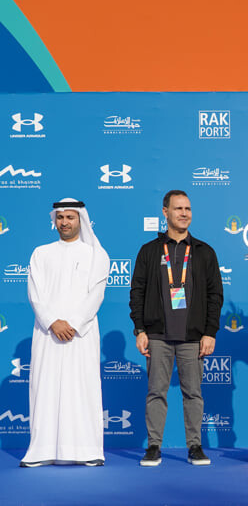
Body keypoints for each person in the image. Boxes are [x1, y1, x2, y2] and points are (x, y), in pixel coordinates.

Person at [130, 190, 223, 467]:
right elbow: (137, 292)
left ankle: (194, 446)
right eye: (178, 208)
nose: (184, 213)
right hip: (157, 335)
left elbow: (215, 295)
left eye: (188, 209)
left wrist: (210, 332)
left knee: (193, 394)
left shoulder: (204, 251)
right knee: (156, 392)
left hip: (192, 337)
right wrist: (140, 329)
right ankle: (153, 447)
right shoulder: (149, 250)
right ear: (165, 212)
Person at [21, 199, 110, 468]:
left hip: (81, 335)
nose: (65, 222)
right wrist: (52, 322)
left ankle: (88, 450)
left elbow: (96, 295)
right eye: (60, 217)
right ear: (54, 220)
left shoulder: (96, 254)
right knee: (45, 389)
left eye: (70, 217)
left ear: (81, 219)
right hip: (47, 334)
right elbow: (35, 293)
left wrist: (74, 323)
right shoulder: (41, 253)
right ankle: (41, 451)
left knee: (82, 389)